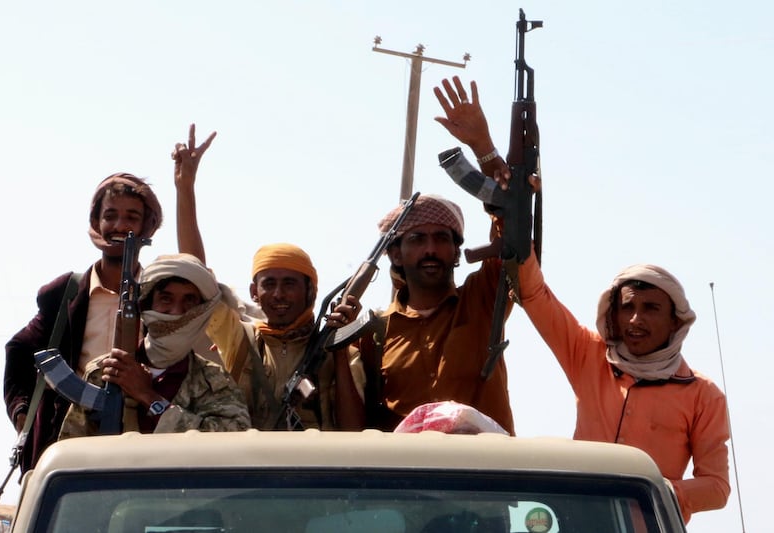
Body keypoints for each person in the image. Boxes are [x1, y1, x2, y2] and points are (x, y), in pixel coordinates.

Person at [436, 75, 730, 523]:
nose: (636, 318)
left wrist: (647, 490)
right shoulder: (590, 356)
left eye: (651, 308)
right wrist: (514, 225)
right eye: (627, 306)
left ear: (676, 322)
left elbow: (716, 487)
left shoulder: (703, 395)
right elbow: (533, 294)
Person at [171, 125, 365, 430]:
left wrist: (339, 351)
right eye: (269, 284)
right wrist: (185, 189)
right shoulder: (239, 339)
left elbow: (355, 430)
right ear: (254, 292)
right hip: (245, 472)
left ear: (311, 292)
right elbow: (195, 272)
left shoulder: (335, 347)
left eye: (289, 284)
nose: (278, 295)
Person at [3, 172, 162, 471]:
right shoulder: (66, 293)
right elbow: (19, 350)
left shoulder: (159, 294)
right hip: (68, 441)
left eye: (131, 216)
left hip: (139, 440)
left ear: (147, 226)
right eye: (110, 215)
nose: (119, 226)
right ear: (96, 223)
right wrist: (22, 412)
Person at [359, 193, 515, 433]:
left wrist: (497, 196)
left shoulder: (481, 299)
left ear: (455, 252)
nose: (430, 249)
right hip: (410, 468)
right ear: (396, 254)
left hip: (486, 467)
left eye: (441, 238)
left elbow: (513, 243)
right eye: (417, 239)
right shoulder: (376, 333)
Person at [58, 253, 251, 437]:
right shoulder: (106, 372)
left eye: (189, 300)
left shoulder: (215, 381)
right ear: (147, 306)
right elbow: (72, 447)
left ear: (202, 310)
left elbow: (229, 446)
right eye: (166, 299)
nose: (176, 311)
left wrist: (149, 397)